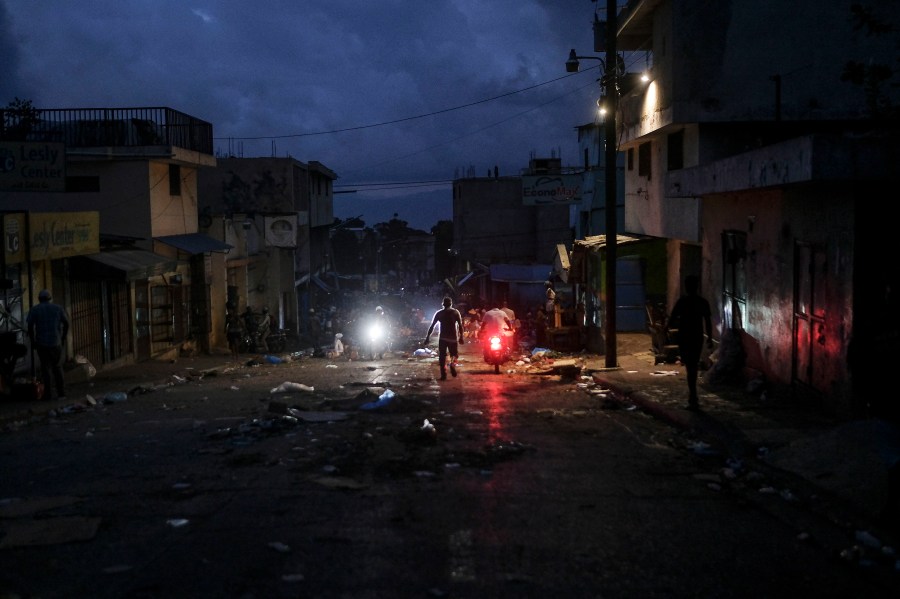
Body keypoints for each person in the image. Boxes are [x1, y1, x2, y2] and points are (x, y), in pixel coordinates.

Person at [668, 275, 713, 410]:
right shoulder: (702, 302)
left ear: (686, 287)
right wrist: (709, 337)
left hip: (685, 336)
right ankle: (693, 396)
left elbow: (672, 318)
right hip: (697, 336)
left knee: (690, 366)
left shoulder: (683, 302)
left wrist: (667, 329)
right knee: (693, 364)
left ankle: (693, 395)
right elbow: (708, 321)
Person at [26, 289, 69, 401]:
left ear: (39, 299)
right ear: (50, 298)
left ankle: (48, 395)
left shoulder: (35, 310)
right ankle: (61, 393)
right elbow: (66, 323)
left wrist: (33, 341)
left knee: (46, 369)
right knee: (58, 368)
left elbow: (30, 326)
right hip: (56, 342)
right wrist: (63, 337)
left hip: (42, 343)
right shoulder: (58, 308)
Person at [423, 296, 465, 380]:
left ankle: (443, 374)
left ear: (443, 304)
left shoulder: (439, 313)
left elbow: (432, 326)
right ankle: (452, 364)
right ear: (451, 304)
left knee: (442, 356)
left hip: (443, 338)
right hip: (453, 338)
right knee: (454, 355)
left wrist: (427, 337)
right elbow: (460, 325)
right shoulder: (456, 312)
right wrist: (461, 337)